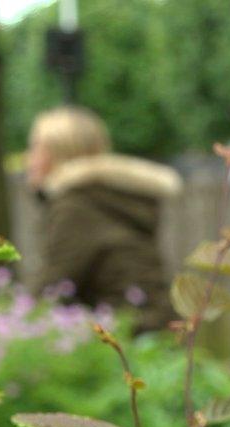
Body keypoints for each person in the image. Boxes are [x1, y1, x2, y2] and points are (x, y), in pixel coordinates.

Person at [27, 106, 182, 332]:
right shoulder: (103, 196)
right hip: (154, 324)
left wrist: (7, 324)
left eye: (35, 148)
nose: (29, 159)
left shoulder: (76, 206)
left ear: (57, 152)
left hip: (128, 332)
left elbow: (52, 288)